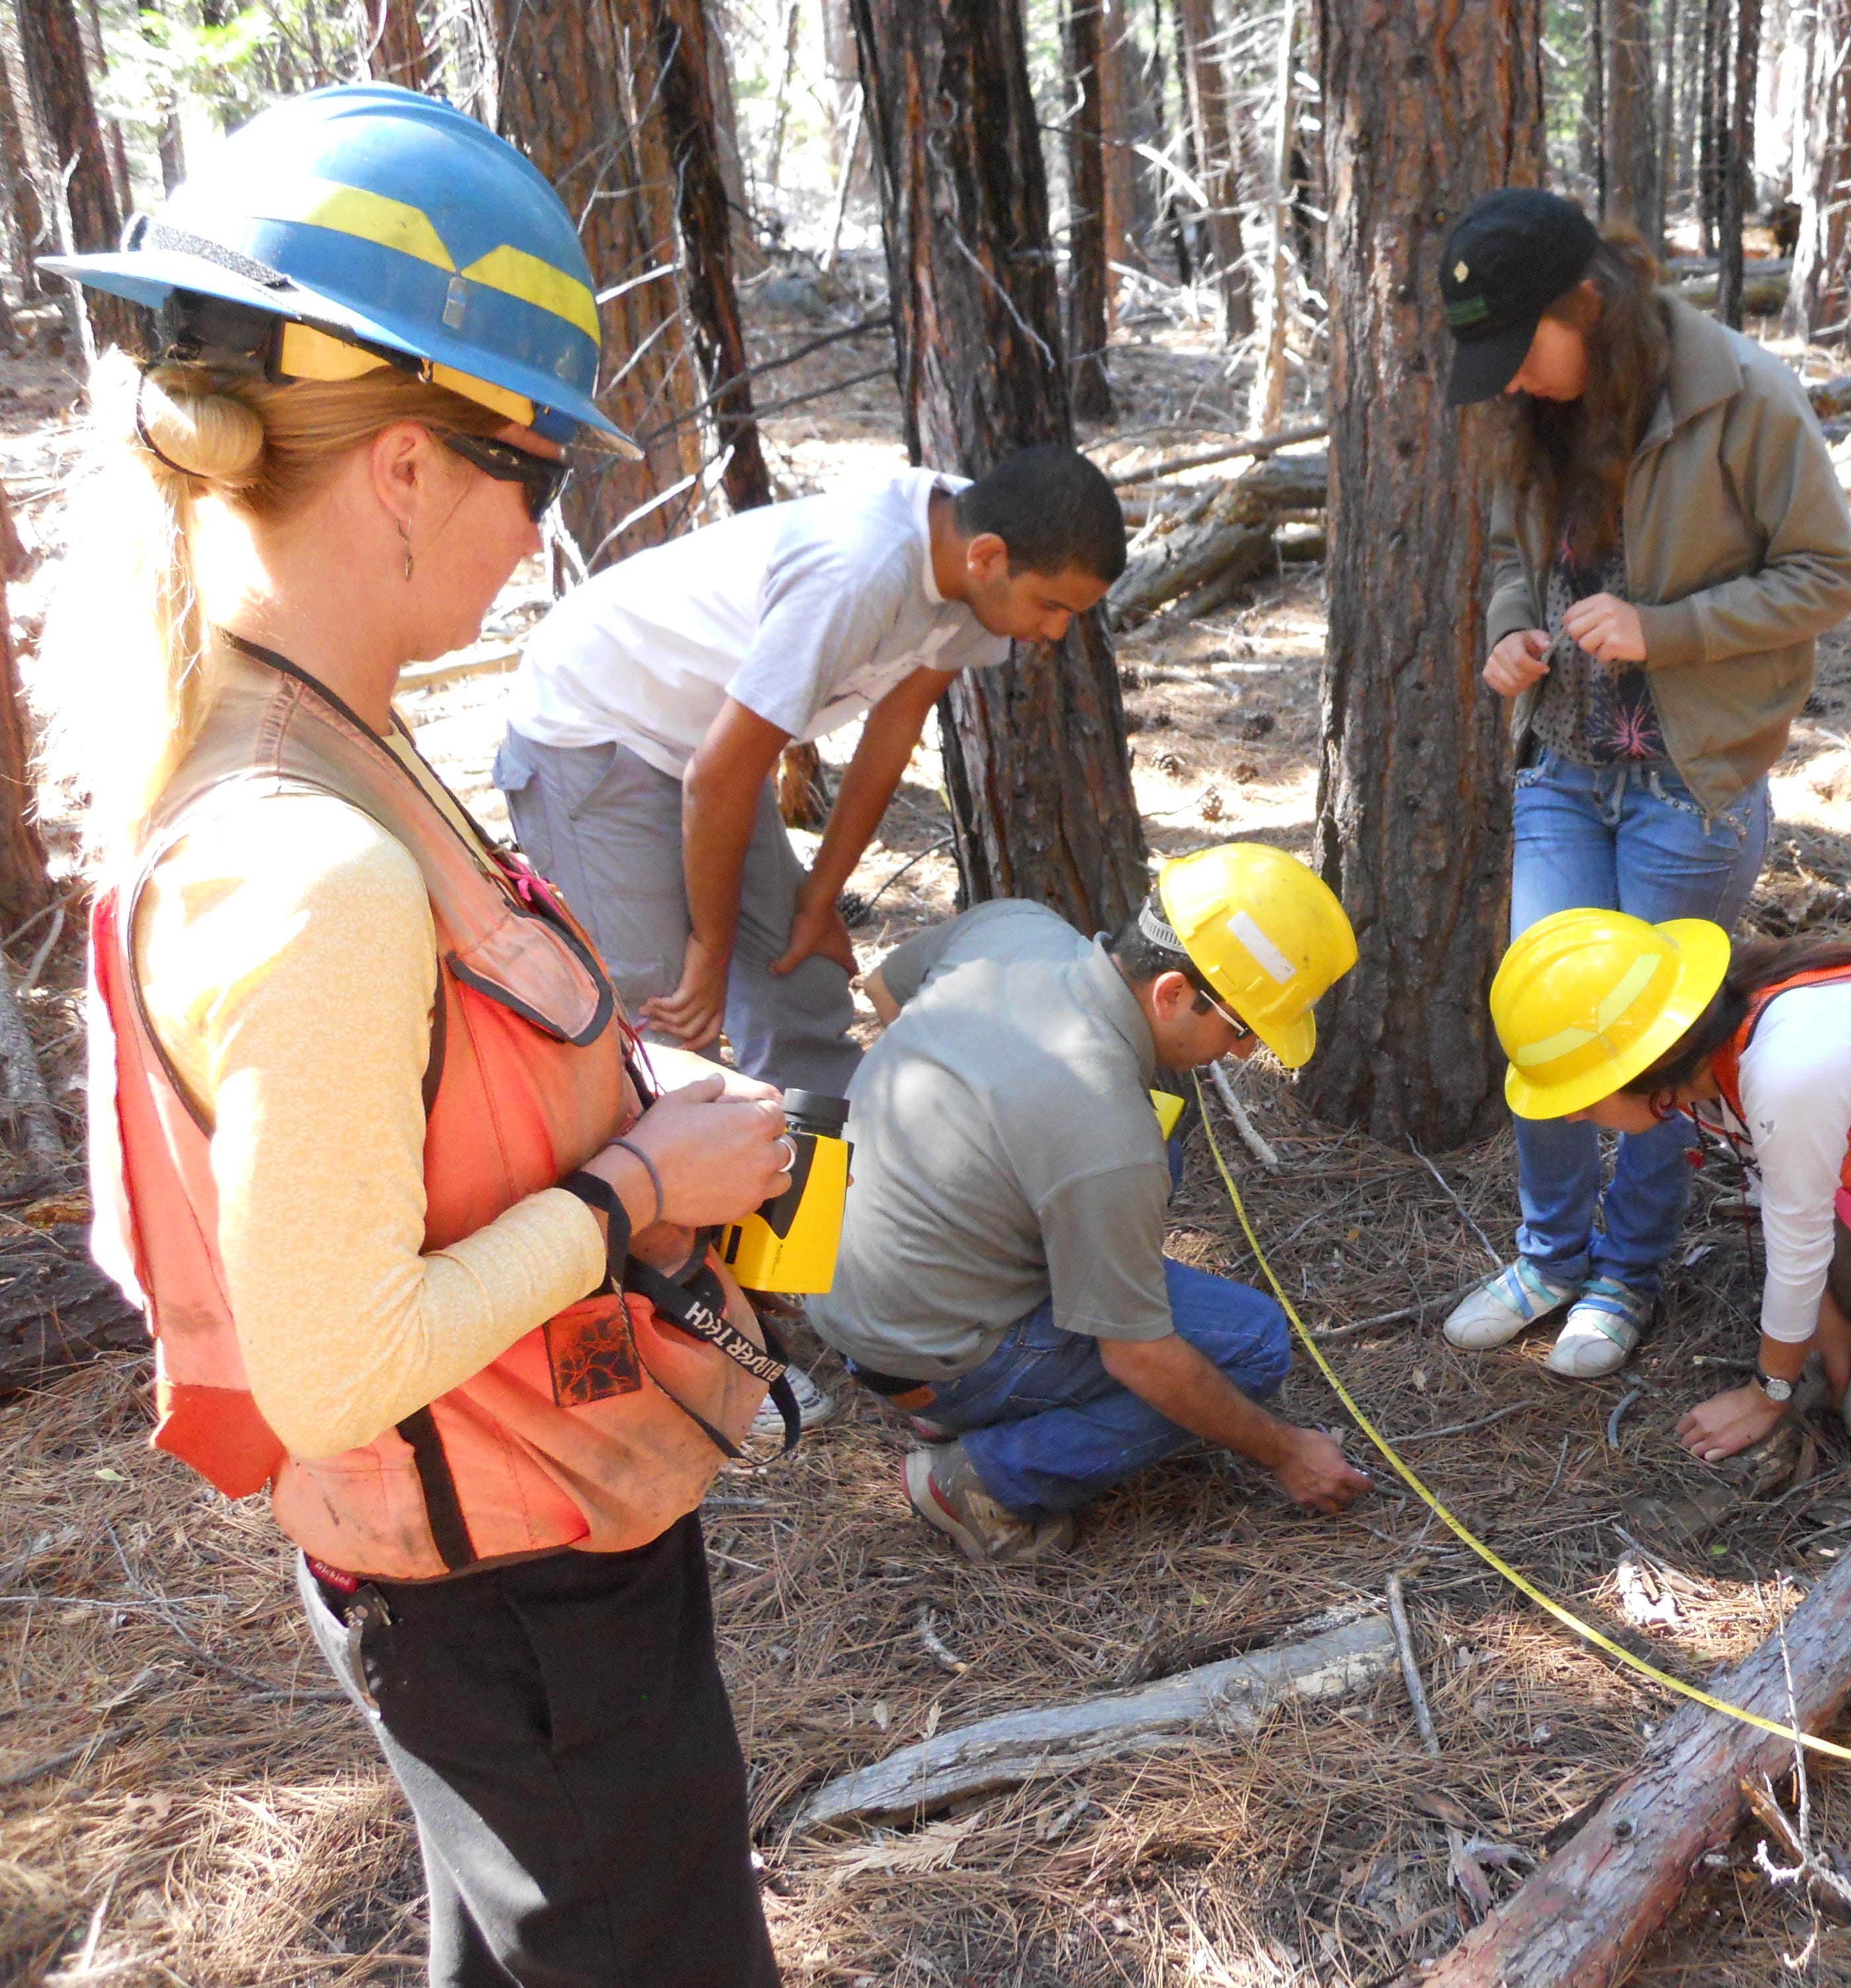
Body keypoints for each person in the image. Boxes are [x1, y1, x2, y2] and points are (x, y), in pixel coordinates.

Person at [45, 86, 797, 1986]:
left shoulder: (330, 747)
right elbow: (334, 1368)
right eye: (534, 468)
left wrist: (621, 1089)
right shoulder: (311, 856)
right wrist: (636, 1189)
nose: (548, 527)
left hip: (504, 1584)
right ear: (399, 467)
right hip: (526, 1610)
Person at [1435, 186, 1851, 1379]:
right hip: (1564, 768)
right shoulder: (1535, 420)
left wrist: (1663, 630)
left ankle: (1628, 1277)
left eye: (1522, 351)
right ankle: (1547, 1254)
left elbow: (1829, 577)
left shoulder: (1745, 396)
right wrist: (1514, 636)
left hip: (1691, 781)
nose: (1513, 382)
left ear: (1590, 305)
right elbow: (1523, 568)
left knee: (1652, 1048)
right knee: (1547, 1026)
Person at [494, 442, 1128, 1099]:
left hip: (705, 738)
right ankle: (669, 1179)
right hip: (596, 723)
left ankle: (827, 1164)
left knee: (797, 966)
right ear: (989, 557)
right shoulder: (861, 574)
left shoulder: (976, 557)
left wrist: (820, 895)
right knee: (665, 1010)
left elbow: (895, 726)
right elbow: (717, 780)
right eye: (1052, 606)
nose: (1054, 632)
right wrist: (709, 952)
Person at [803, 844, 1373, 1564]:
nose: (1243, 1051)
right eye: (1242, 1027)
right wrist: (1287, 1450)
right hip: (928, 1348)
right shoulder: (1106, 1129)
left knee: (1154, 1143)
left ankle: (947, 1387)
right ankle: (979, 1481)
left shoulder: (1012, 927)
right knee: (1250, 1344)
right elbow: (1142, 1358)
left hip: (838, 1276)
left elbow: (890, 990)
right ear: (1171, 993)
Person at [1485, 911, 1851, 1457]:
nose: (1570, 1115)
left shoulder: (1785, 1071)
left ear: (1646, 1066)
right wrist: (1824, 1322)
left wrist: (1766, 1394)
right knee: (1823, 1355)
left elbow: (1798, 1245)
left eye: (1582, 1096)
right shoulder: (1705, 1046)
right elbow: (1782, 1200)